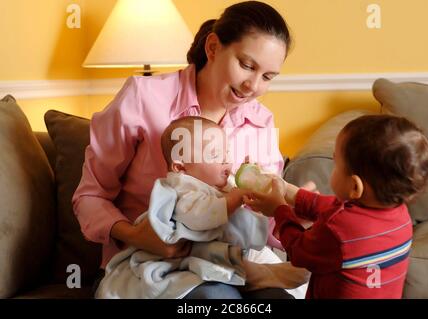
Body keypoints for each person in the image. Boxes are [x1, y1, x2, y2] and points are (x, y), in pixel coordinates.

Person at [73, 1, 313, 299]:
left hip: (231, 264)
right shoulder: (145, 98)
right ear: (213, 48)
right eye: (247, 65)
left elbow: (264, 219)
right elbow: (90, 195)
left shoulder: (260, 121)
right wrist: (137, 235)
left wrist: (295, 219)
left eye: (267, 77)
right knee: (215, 298)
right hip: (144, 268)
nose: (253, 85)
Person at [95, 116, 306, 299]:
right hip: (178, 259)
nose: (226, 159)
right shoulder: (181, 189)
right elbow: (200, 216)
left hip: (222, 255)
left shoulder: (219, 187)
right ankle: (256, 274)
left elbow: (243, 207)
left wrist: (252, 181)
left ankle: (261, 276)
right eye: (215, 155)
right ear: (181, 168)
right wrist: (234, 199)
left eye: (226, 152)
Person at [244, 114, 428, 298]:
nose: (333, 168)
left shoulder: (339, 230)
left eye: (336, 163)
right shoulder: (399, 214)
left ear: (355, 186)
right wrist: (288, 191)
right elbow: (329, 207)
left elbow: (298, 251)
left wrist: (279, 210)